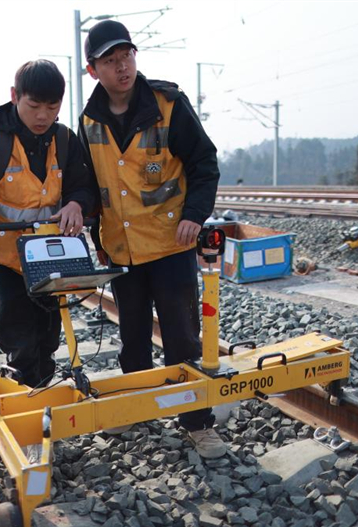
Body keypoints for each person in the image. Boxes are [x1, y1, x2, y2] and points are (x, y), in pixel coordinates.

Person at [78, 20, 226, 459]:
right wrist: (91, 232)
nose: (122, 67)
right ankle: (135, 414)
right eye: (110, 60)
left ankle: (197, 423)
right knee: (134, 339)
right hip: (121, 251)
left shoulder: (169, 105)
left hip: (169, 245)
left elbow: (204, 162)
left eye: (126, 56)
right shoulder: (88, 122)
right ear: (93, 70)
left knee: (182, 337)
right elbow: (89, 186)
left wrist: (195, 217)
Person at [0, 60, 94, 389]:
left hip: (53, 258)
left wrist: (76, 204)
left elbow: (83, 187)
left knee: (48, 336)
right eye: (34, 105)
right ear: (15, 96)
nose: (43, 116)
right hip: (9, 261)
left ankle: (42, 394)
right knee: (20, 336)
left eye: (52, 107)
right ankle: (25, 396)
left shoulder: (65, 141)